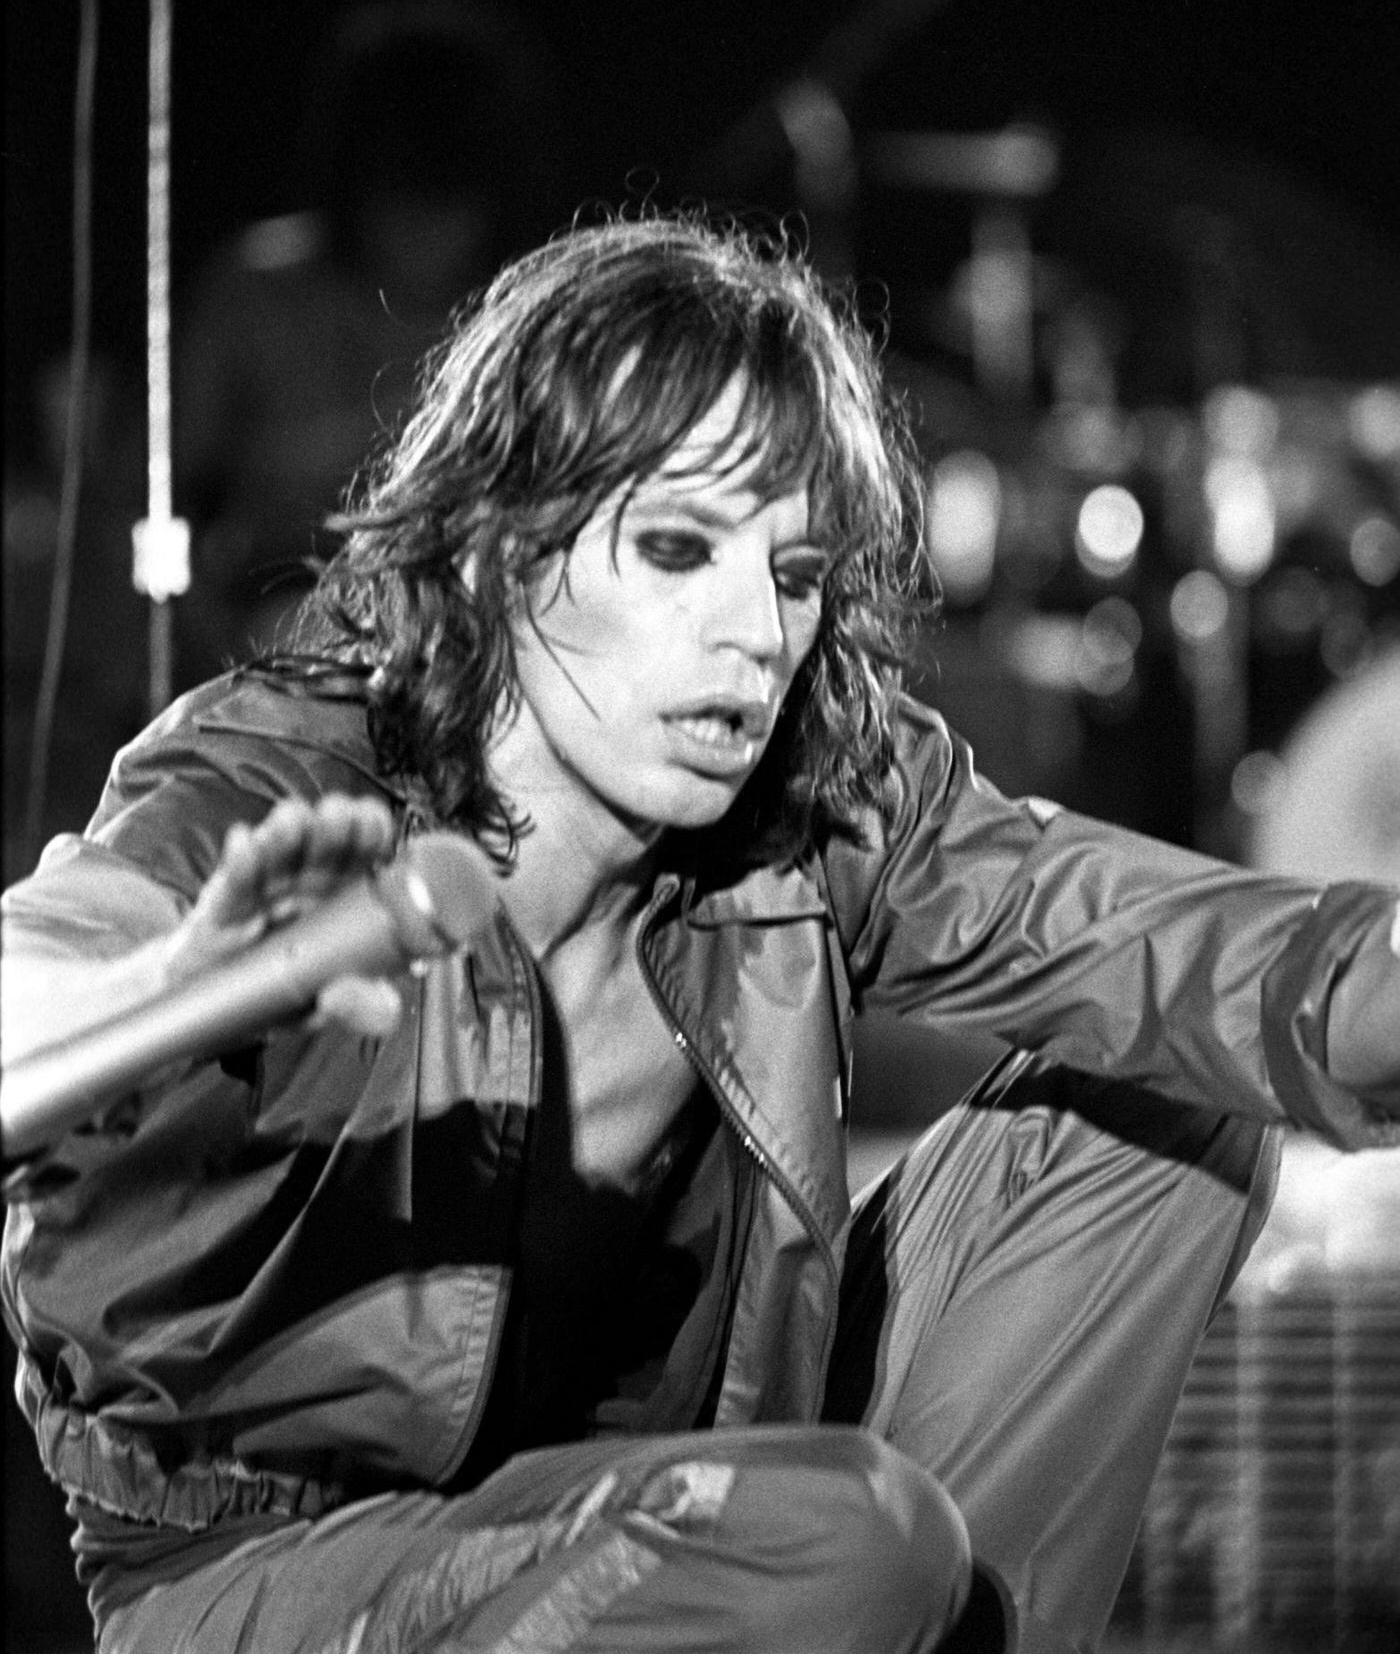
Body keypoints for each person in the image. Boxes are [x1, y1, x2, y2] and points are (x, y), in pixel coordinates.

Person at [3, 214, 1397, 1654]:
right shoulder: (278, 781)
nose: (755, 632)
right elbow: (34, 980)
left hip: (712, 1526)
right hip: (279, 1576)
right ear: (498, 548)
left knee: (1174, 1094)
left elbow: (1228, 964)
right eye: (679, 545)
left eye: (794, 576)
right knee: (857, 1542)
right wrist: (177, 984)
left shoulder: (809, 798)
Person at [173, 0, 567, 685]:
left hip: (477, 666)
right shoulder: (254, 293)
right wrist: (204, 634)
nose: (421, 236)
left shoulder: (529, 315)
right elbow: (154, 504)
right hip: (265, 655)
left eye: (445, 201)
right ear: (353, 180)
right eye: (400, 195)